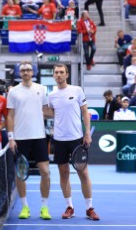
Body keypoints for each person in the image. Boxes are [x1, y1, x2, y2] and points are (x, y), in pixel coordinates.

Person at [46, 63, 100, 220]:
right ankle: (70, 207)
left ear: (67, 74)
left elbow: (85, 112)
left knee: (83, 173)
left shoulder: (77, 90)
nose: (59, 75)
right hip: (59, 140)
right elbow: (49, 113)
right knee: (64, 174)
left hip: (76, 139)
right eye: (56, 72)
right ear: (53, 75)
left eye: (61, 72)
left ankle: (89, 208)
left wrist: (87, 132)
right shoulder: (52, 95)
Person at [7, 62, 51, 220]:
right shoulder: (13, 92)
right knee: (20, 174)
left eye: (28, 70)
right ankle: (25, 207)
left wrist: (67, 112)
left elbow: (47, 111)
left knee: (45, 173)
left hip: (39, 136)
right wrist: (11, 137)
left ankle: (44, 207)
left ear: (33, 72)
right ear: (19, 73)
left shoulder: (42, 89)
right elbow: (10, 116)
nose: (26, 72)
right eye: (23, 70)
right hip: (20, 138)